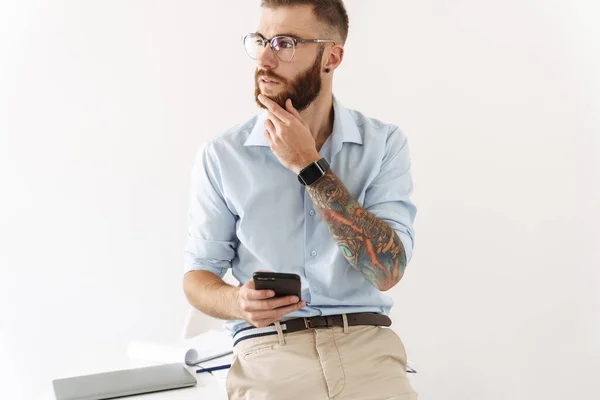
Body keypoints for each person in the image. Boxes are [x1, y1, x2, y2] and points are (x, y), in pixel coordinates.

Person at [183, 0, 418, 398]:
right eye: (261, 40)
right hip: (269, 352)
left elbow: (387, 271)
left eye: (285, 43)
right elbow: (197, 277)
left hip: (364, 345)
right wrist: (239, 302)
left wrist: (310, 166)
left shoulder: (383, 145)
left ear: (332, 56)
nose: (265, 58)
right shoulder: (222, 155)